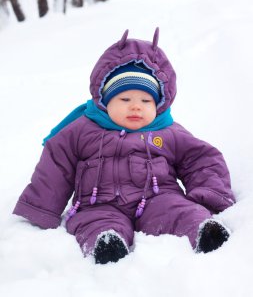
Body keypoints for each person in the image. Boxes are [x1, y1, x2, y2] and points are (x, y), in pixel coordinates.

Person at [13, 28, 235, 264]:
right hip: (99, 203)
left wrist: (210, 192)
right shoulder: (82, 129)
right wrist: (42, 207)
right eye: (125, 99)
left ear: (158, 103)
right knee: (95, 223)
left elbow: (201, 159)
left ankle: (204, 231)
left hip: (158, 198)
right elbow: (57, 164)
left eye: (146, 100)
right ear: (105, 100)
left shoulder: (167, 131)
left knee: (179, 211)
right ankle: (107, 243)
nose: (136, 107)